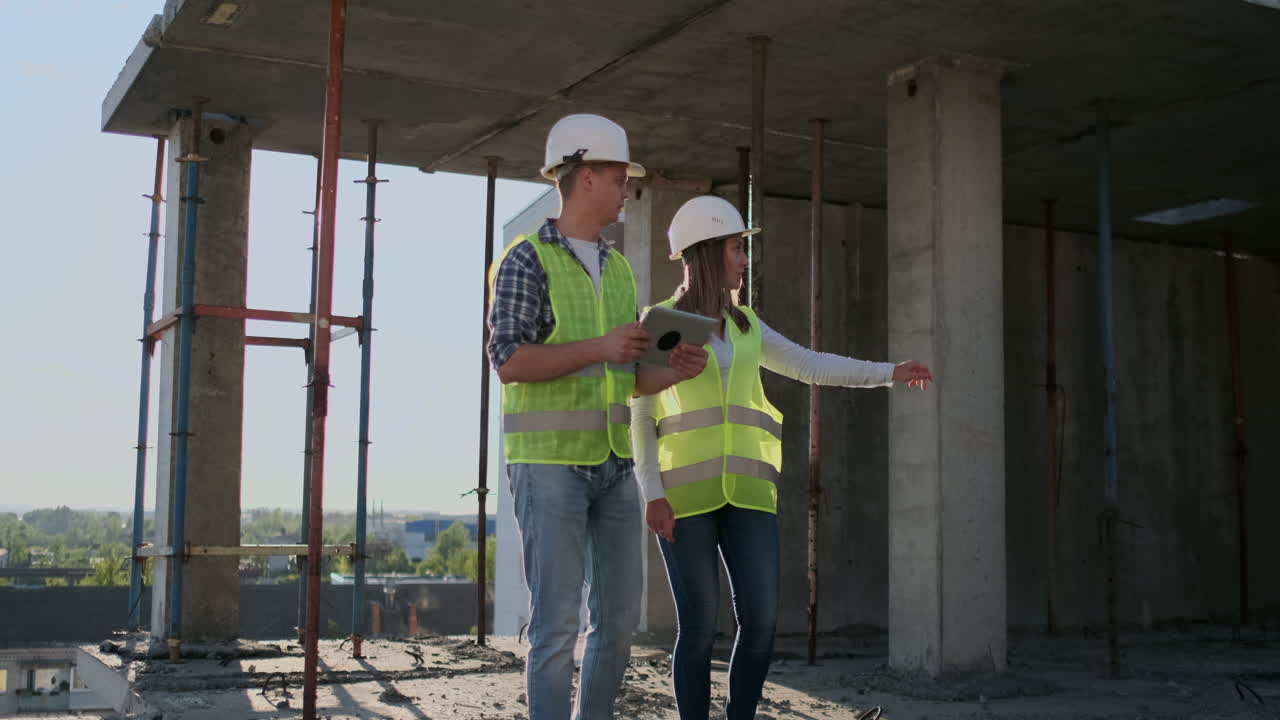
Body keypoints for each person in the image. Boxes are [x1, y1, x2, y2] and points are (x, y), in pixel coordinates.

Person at [630, 195, 933, 720]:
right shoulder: (662, 321)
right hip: (684, 497)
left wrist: (889, 371)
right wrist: (652, 493)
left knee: (763, 622)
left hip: (749, 494)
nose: (744, 260)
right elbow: (640, 410)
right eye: (734, 248)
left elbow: (812, 365)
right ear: (705, 254)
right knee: (698, 628)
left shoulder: (747, 326)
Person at [487, 113, 704, 720]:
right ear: (583, 178)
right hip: (550, 466)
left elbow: (628, 377)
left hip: (613, 465)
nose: (626, 190)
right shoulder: (524, 260)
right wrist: (599, 348)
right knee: (556, 626)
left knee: (617, 623)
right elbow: (508, 361)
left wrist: (675, 370)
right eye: (617, 177)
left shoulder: (621, 267)